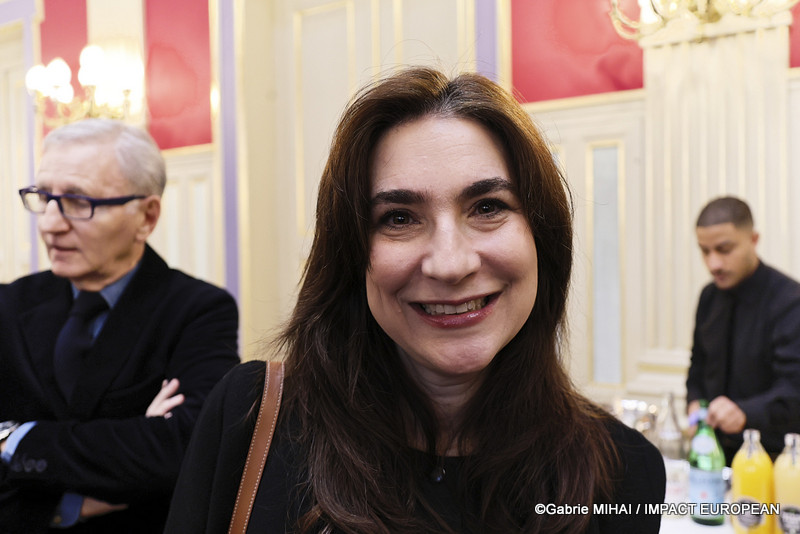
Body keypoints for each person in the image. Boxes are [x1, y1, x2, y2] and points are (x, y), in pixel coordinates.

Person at [165, 67, 665, 534]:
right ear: (352, 255)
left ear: (544, 238)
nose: (449, 264)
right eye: (399, 218)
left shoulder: (623, 474)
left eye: (488, 207)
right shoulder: (254, 417)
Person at [0, 119, 240, 533]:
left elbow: (187, 451)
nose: (49, 224)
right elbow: (152, 452)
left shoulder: (198, 310)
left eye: (77, 201)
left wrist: (14, 440)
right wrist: (64, 506)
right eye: (44, 197)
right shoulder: (9, 304)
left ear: (146, 216)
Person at [686, 196, 800, 464]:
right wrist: (695, 403)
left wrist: (745, 412)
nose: (713, 264)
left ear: (754, 239)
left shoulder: (790, 301)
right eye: (705, 250)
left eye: (724, 249)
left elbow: (795, 389)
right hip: (713, 456)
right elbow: (697, 369)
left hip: (776, 459)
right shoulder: (708, 297)